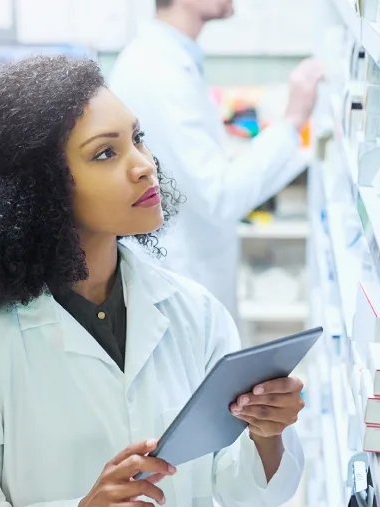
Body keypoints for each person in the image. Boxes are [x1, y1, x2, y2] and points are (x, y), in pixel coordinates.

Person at [0, 56, 305, 507]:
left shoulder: (194, 314)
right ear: (39, 191)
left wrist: (267, 434)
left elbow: (242, 488)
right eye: (104, 154)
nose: (143, 166)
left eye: (137, 138)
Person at [109, 0, 325, 319]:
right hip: (180, 280)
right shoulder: (156, 71)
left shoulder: (173, 58)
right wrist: (293, 120)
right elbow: (220, 195)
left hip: (191, 272)